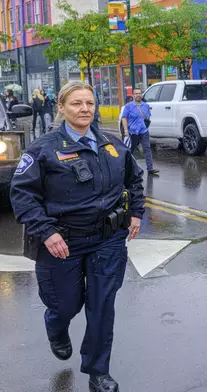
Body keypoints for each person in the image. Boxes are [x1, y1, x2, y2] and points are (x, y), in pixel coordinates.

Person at [10, 81, 145, 392]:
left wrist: (136, 212)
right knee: (66, 305)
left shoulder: (113, 145)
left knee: (102, 306)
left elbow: (134, 180)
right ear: (61, 107)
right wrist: (46, 232)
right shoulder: (43, 150)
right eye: (76, 103)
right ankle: (56, 325)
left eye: (89, 103)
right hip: (61, 242)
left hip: (107, 239)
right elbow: (22, 195)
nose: (85, 109)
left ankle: (99, 372)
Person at [121, 88, 159, 175]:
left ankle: (150, 169)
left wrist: (145, 125)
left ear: (141, 95)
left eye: (139, 93)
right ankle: (127, 169)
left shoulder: (146, 106)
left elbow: (148, 117)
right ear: (133, 95)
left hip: (143, 131)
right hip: (133, 132)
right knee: (130, 151)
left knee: (147, 149)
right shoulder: (128, 106)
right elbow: (124, 118)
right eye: (136, 93)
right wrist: (126, 129)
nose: (138, 95)